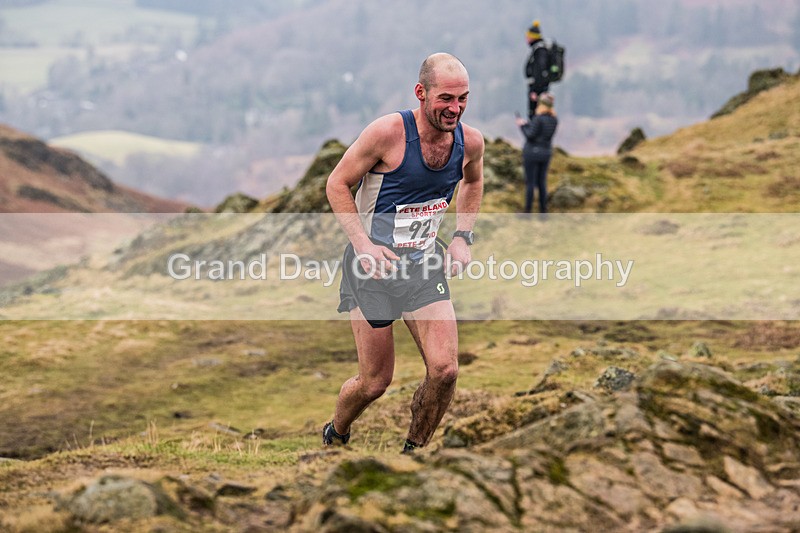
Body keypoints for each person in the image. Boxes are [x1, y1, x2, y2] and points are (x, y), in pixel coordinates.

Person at [323, 52, 484, 454]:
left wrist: (463, 236)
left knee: (445, 370)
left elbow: (473, 181)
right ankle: (337, 432)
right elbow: (337, 184)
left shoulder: (471, 141)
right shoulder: (388, 134)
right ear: (421, 93)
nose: (455, 108)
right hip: (371, 270)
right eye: (446, 98)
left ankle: (414, 454)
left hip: (424, 264)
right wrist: (363, 245)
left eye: (463, 98)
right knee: (374, 383)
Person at [516, 92, 557, 216]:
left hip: (532, 153)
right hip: (546, 153)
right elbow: (540, 132)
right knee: (542, 182)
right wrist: (528, 124)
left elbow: (530, 135)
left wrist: (522, 126)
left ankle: (527, 212)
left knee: (530, 183)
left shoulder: (538, 118)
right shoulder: (554, 119)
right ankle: (543, 212)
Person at [525, 20, 550, 118]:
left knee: (536, 115)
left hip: (538, 89)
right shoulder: (539, 49)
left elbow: (539, 71)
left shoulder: (539, 50)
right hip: (539, 88)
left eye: (527, 36)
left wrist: (535, 90)